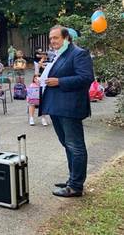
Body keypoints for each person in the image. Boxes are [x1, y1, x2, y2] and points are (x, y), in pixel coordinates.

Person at [40, 26, 94, 198]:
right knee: (67, 144)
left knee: (75, 146)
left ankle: (76, 186)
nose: (52, 41)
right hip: (57, 107)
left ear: (66, 38)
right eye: (51, 38)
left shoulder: (78, 53)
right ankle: (73, 179)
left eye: (56, 38)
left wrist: (59, 81)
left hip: (70, 108)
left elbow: (86, 78)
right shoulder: (59, 54)